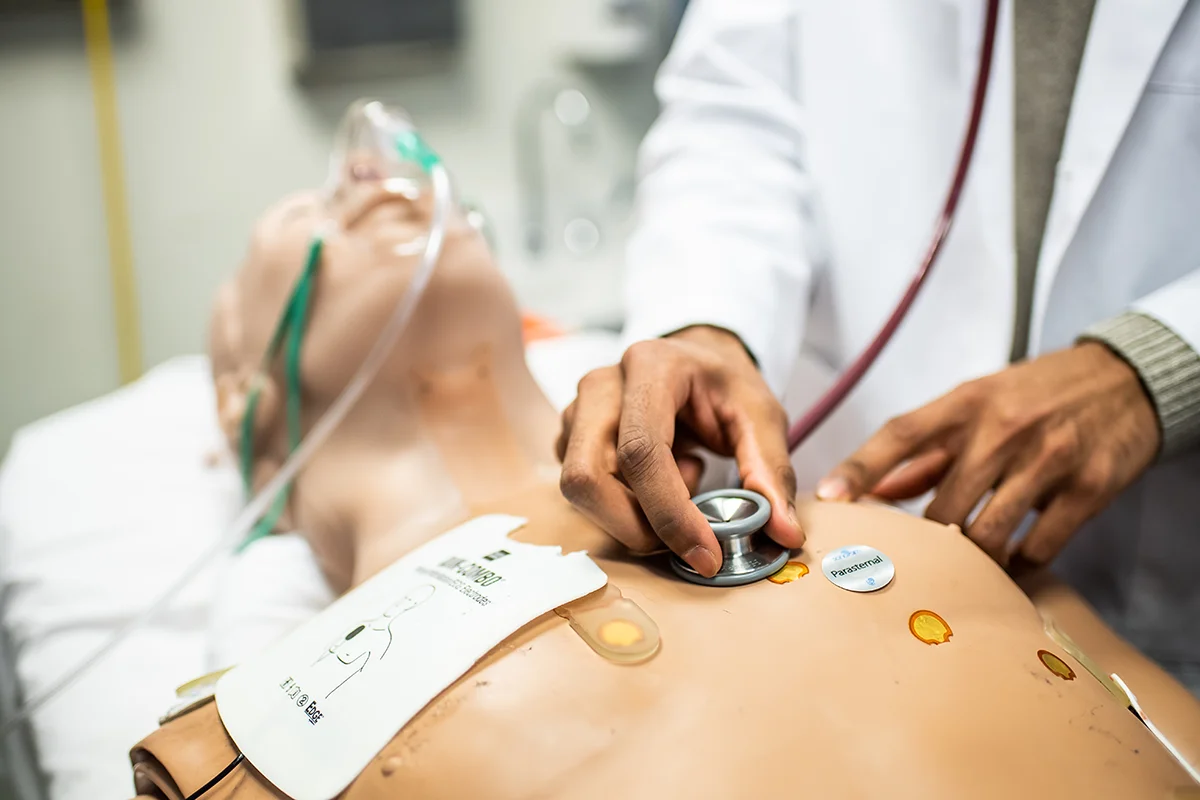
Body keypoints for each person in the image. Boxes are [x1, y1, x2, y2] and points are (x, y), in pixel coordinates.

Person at [127, 101, 1200, 799]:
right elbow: (740, 118)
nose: (376, 167)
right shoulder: (281, 698)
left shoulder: (905, 536)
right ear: (242, 399)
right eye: (315, 202)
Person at [558, 0, 1200, 692]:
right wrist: (704, 320)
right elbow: (734, 117)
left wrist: (1161, 364)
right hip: (854, 580)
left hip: (1153, 575)